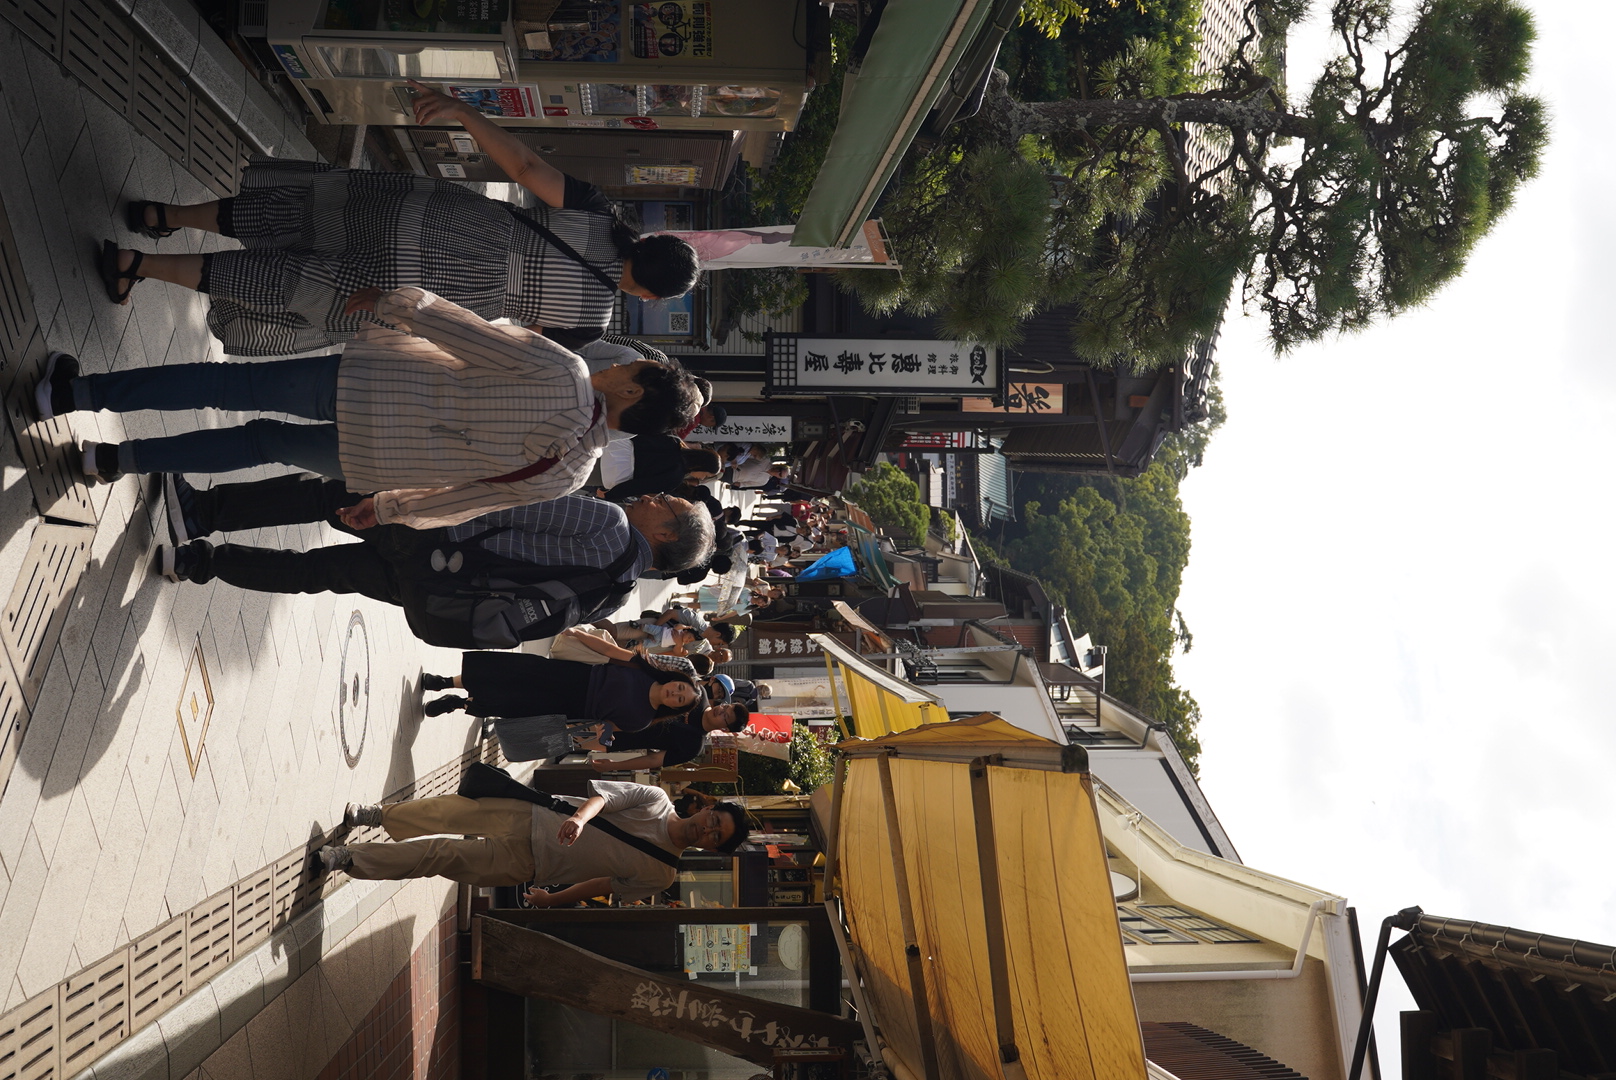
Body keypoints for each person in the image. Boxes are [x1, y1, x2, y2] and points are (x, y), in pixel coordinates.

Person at [105, 82, 699, 355]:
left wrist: (462, 111)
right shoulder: (589, 324)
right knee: (289, 282)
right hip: (421, 287)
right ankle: (139, 264)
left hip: (432, 217)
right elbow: (505, 341)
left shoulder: (597, 213)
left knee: (296, 215)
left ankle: (167, 212)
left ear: (650, 241)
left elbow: (523, 167)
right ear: (648, 294)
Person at [35, 291, 700, 529]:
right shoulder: (571, 475)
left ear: (633, 393)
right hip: (376, 459)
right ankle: (112, 458)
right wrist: (386, 509)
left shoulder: (566, 371)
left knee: (229, 387)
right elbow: (467, 500)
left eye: (633, 369)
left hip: (373, 384)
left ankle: (72, 395)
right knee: (259, 444)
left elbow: (467, 333)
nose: (620, 363)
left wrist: (397, 303)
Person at [153, 478, 713, 648]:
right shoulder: (617, 594)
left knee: (323, 497)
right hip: (443, 589)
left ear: (665, 533)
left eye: (667, 502)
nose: (654, 495)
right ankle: (196, 563)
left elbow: (511, 504)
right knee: (316, 574)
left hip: (433, 532)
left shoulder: (609, 522)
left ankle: (200, 511)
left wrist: (419, 500)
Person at [315, 780, 748, 901]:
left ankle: (350, 859)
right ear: (707, 808)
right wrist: (578, 818)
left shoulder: (662, 875)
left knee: (440, 856)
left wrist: (552, 900)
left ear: (713, 849)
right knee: (448, 811)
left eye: (717, 837)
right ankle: (379, 815)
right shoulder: (655, 798)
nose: (708, 830)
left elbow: (603, 886)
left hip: (532, 865)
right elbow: (605, 799)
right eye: (715, 820)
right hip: (535, 814)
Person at [421, 643, 702, 739]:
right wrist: (579, 634)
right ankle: (445, 681)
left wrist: (599, 735)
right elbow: (610, 651)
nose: (675, 694)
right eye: (680, 688)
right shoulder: (645, 668)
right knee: (510, 673)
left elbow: (605, 727)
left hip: (570, 708)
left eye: (680, 700)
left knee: (512, 703)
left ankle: (457, 703)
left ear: (674, 708)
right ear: (675, 679)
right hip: (572, 675)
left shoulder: (641, 720)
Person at [583, 700, 752, 772]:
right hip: (612, 710)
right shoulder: (697, 696)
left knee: (568, 739)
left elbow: (653, 760)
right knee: (569, 715)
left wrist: (614, 765)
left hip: (614, 739)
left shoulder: (693, 746)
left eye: (725, 716)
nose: (720, 710)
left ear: (725, 729)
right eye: (725, 706)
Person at [601, 439, 722, 502]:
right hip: (615, 471)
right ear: (701, 466)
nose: (702, 478)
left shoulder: (674, 441)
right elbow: (639, 486)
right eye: (706, 475)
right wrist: (610, 495)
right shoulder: (676, 478)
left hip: (617, 446)